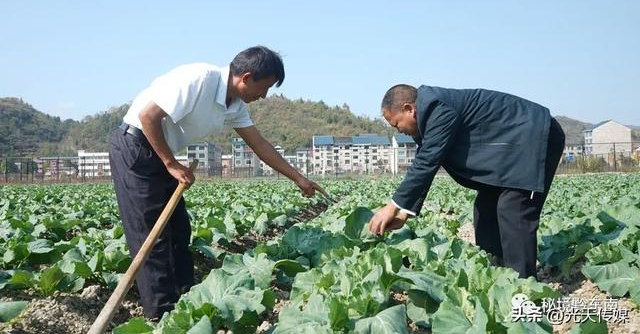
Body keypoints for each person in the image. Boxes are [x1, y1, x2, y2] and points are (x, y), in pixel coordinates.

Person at [108, 46, 326, 319]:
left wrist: (299, 179)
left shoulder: (234, 105)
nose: (264, 95)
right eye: (265, 87)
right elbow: (148, 116)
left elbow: (260, 145)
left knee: (178, 231)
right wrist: (171, 164)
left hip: (160, 149)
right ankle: (160, 314)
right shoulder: (199, 79)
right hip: (136, 146)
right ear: (246, 77)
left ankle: (186, 303)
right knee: (152, 236)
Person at [368, 84, 565, 279]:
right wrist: (403, 214)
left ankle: (522, 287)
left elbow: (427, 161)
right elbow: (427, 162)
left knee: (514, 208)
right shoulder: (429, 117)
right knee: (485, 207)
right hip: (511, 151)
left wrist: (393, 206)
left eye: (396, 124)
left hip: (537, 137)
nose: (398, 130)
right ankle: (496, 273)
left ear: (409, 109)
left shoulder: (437, 108)